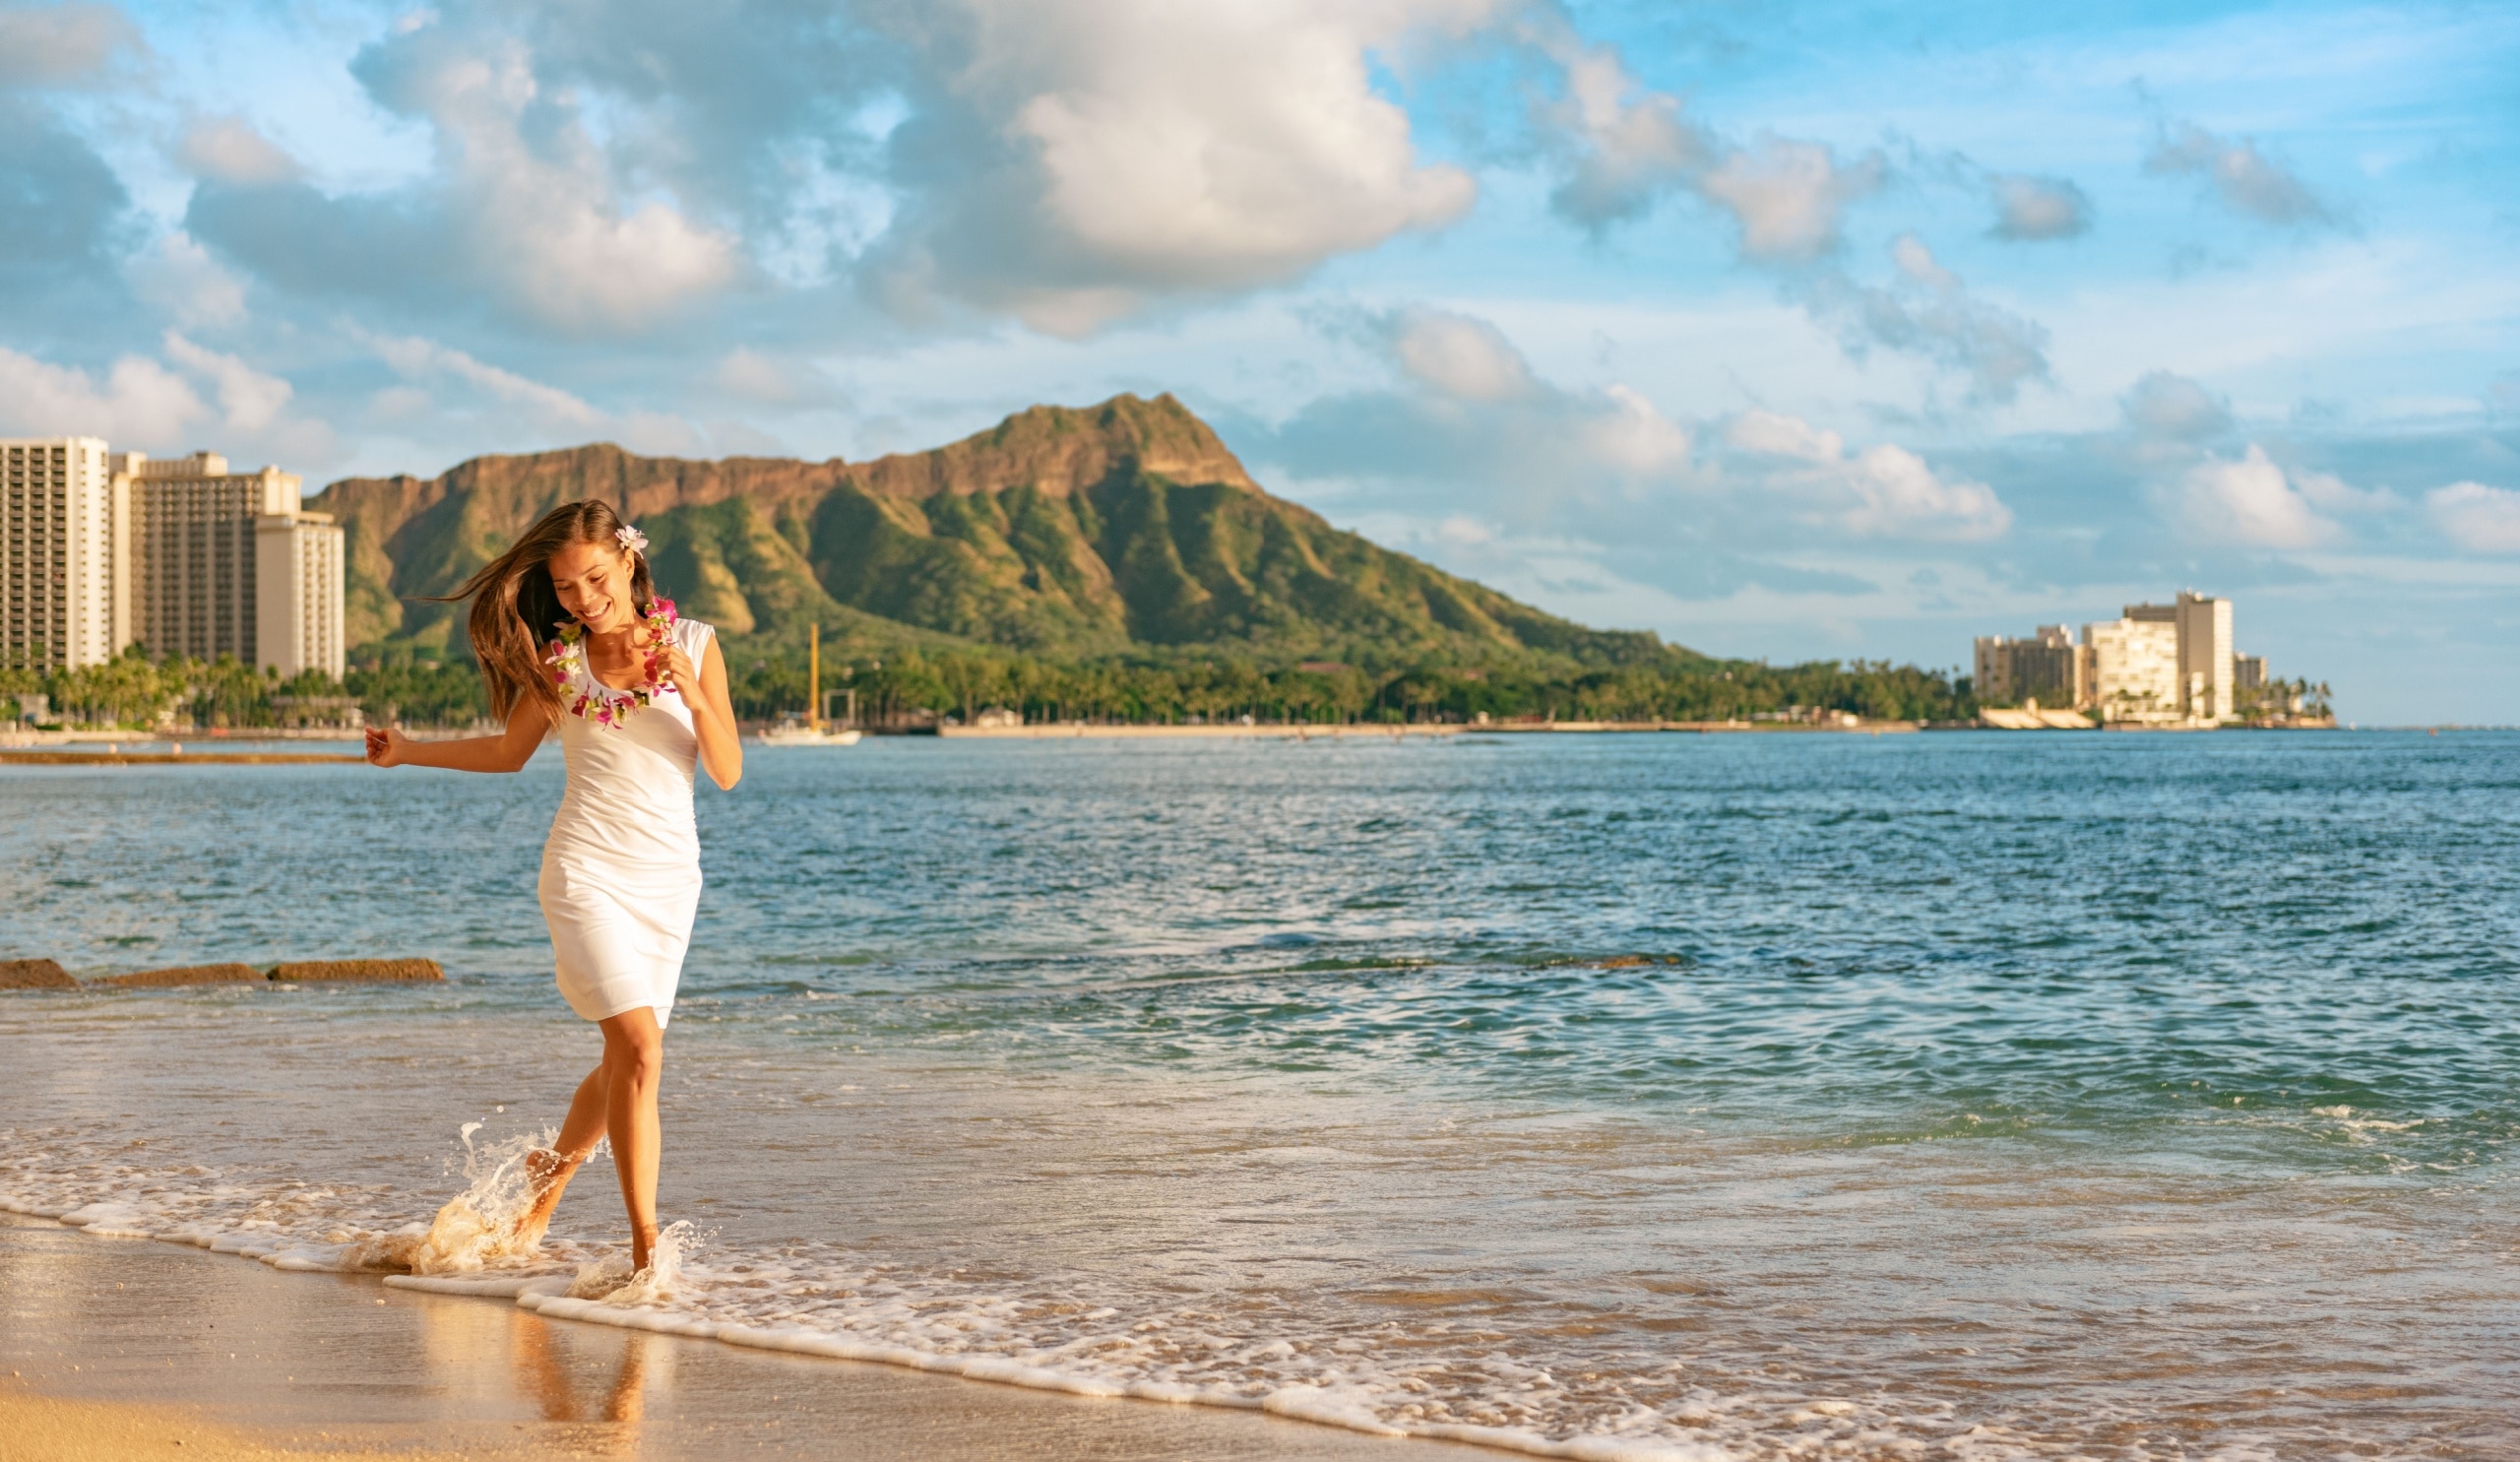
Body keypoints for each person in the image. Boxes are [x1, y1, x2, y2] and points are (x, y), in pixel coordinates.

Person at [365, 499, 741, 1274]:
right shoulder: (558, 660)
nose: (582, 599)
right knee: (638, 1049)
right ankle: (645, 1250)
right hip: (585, 870)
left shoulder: (697, 643)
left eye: (594, 578)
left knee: (626, 1060)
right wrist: (407, 751)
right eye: (565, 587)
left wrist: (693, 693)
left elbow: (729, 772)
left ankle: (551, 1175)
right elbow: (508, 754)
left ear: (630, 561)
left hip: (668, 879)